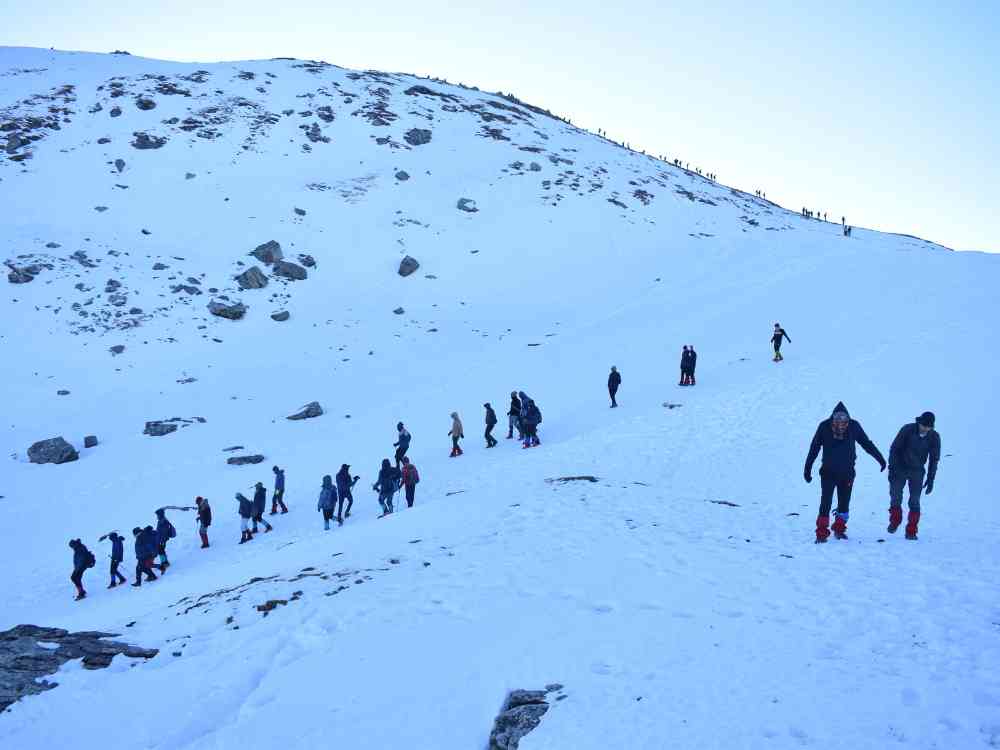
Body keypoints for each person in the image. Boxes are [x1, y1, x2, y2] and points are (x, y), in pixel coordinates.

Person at [804, 402, 886, 542]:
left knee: (844, 504)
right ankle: (821, 534)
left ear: (848, 417)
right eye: (837, 417)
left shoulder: (854, 426)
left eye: (843, 418)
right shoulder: (824, 427)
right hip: (828, 473)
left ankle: (839, 530)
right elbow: (814, 447)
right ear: (833, 417)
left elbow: (866, 443)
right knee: (825, 503)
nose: (841, 421)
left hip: (847, 473)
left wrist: (880, 459)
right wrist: (807, 468)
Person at [887, 411, 941, 540]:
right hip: (899, 468)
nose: (924, 428)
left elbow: (934, 459)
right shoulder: (907, 430)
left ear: (931, 427)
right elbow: (894, 449)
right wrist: (892, 467)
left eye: (928, 427)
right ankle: (895, 520)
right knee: (895, 496)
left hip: (917, 472)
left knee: (915, 501)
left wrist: (931, 478)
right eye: (922, 425)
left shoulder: (934, 437)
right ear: (919, 422)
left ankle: (911, 531)